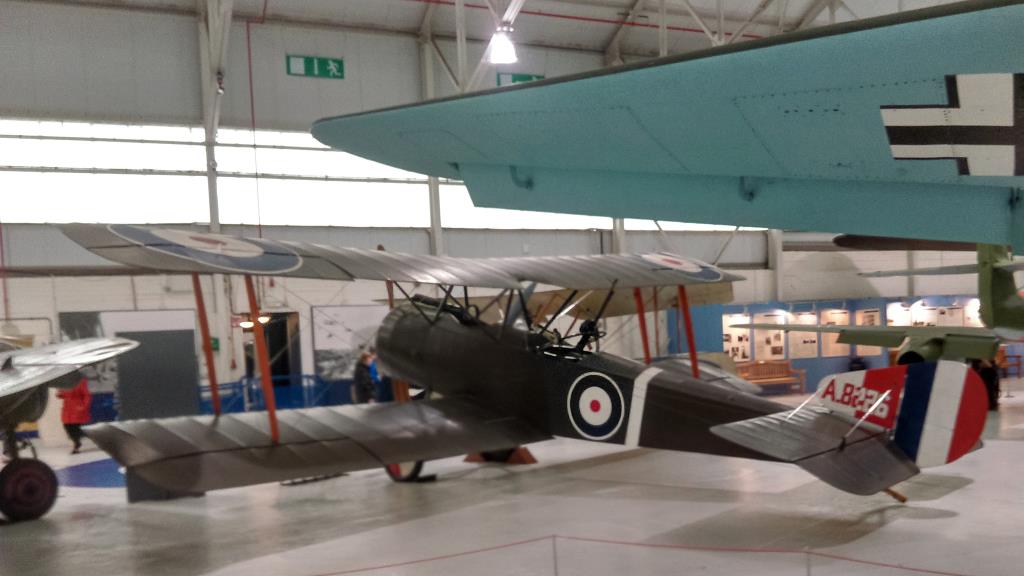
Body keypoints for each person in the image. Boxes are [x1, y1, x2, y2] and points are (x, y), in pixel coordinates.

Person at [57, 377, 92, 453]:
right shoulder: (64, 383)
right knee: (67, 426)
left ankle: (76, 444)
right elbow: (62, 395)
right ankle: (76, 442)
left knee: (75, 427)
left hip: (77, 407)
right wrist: (60, 393)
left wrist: (84, 406)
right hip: (67, 408)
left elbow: (87, 395)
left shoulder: (80, 382)